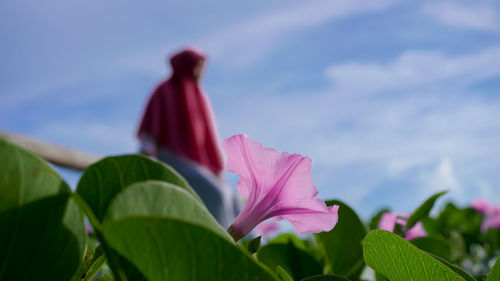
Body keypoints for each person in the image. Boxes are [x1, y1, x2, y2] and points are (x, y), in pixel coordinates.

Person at [137, 47, 239, 227]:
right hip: (174, 160)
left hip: (200, 163)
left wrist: (218, 167)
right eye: (199, 65)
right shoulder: (165, 89)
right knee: (218, 196)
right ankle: (221, 245)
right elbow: (150, 128)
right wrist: (146, 155)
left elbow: (208, 136)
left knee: (233, 198)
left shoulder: (199, 94)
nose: (202, 70)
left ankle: (248, 250)